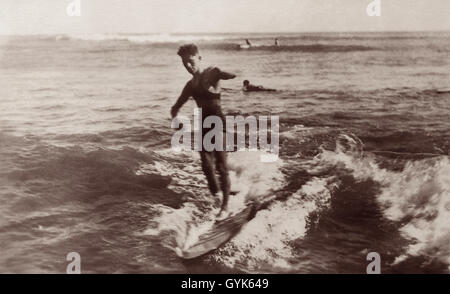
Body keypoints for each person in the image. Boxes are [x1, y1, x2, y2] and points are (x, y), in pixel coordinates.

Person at [170, 44, 236, 218]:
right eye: (184, 63)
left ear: (199, 57)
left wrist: (226, 75)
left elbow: (224, 74)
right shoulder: (190, 85)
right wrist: (175, 115)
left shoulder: (211, 73)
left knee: (221, 166)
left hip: (217, 121)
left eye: (190, 61)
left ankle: (226, 207)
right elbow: (177, 104)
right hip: (204, 125)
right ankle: (219, 196)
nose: (188, 66)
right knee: (206, 166)